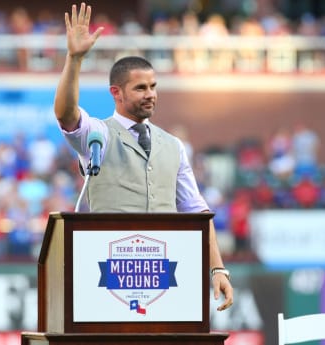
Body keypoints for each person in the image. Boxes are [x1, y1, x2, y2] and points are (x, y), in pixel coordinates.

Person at [53, 2, 233, 311]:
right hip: (108, 277)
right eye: (140, 88)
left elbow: (196, 211)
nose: (150, 94)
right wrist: (74, 59)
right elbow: (66, 113)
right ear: (116, 93)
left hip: (165, 276)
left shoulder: (174, 145)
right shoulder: (99, 134)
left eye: (153, 86)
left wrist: (217, 269)